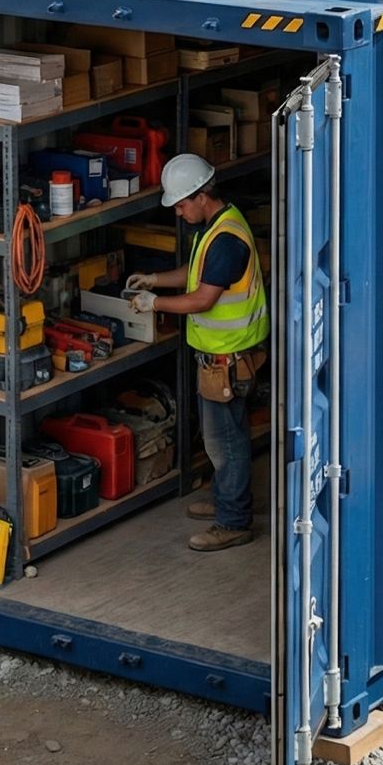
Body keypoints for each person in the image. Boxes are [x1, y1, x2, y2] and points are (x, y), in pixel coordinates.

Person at [126, 154, 268, 552]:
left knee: (227, 445)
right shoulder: (217, 227)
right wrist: (156, 280)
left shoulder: (224, 241)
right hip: (224, 356)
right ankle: (228, 501)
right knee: (224, 439)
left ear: (202, 195)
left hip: (228, 359)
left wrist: (155, 304)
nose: (178, 211)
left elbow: (203, 298)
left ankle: (234, 521)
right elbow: (196, 276)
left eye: (182, 204)